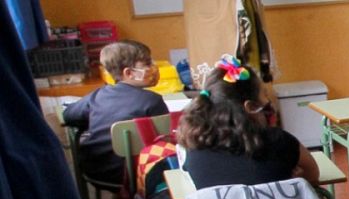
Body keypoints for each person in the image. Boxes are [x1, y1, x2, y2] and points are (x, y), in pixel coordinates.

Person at [178, 55, 317, 190]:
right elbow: (313, 175)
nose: (268, 101)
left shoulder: (194, 150)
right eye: (264, 94)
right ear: (251, 107)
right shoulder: (279, 141)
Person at [61, 41, 168, 187]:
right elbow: (164, 141)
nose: (154, 68)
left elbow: (68, 115)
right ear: (129, 73)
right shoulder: (153, 101)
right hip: (140, 175)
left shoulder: (98, 95)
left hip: (96, 171)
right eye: (148, 64)